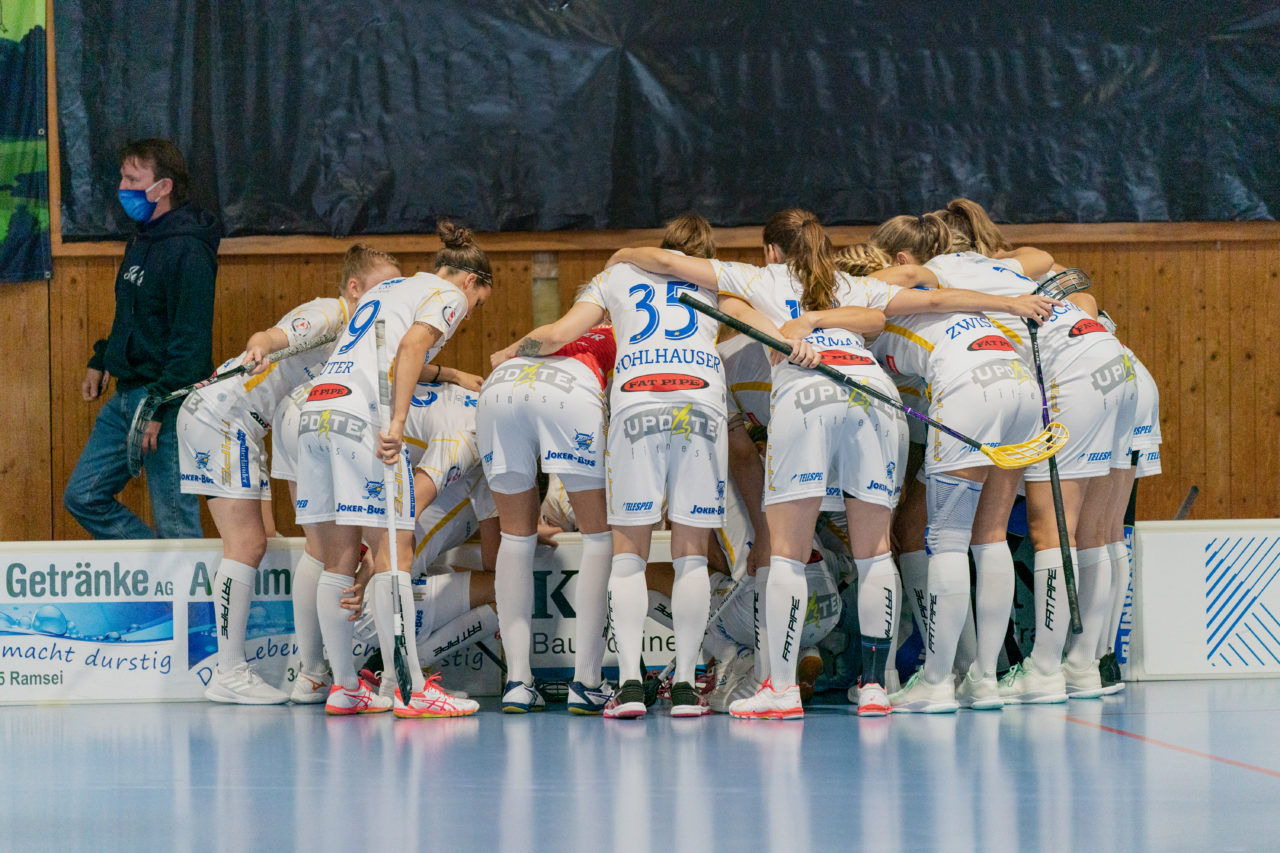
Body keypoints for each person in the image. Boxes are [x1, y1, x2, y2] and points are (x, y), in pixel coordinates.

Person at [612, 209, 1056, 718]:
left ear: (772, 250)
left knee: (786, 553)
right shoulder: (852, 283)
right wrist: (1012, 302)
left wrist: (624, 254)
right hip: (873, 397)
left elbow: (670, 263)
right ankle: (875, 685)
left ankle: (778, 687)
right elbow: (933, 299)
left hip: (807, 399)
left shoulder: (757, 276)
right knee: (875, 552)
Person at [492, 213, 799, 719]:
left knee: (628, 554)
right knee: (691, 555)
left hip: (637, 399)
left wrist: (509, 350)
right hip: (700, 400)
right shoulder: (716, 278)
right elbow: (766, 326)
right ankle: (682, 685)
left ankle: (631, 685)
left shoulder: (616, 276)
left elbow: (556, 334)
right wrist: (795, 346)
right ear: (705, 251)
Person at [873, 200, 1136, 703]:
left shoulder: (939, 272)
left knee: (1044, 531)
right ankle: (1027, 671)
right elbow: (1051, 265)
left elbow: (892, 279)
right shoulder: (1003, 264)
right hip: (1102, 363)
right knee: (1082, 532)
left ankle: (1031, 673)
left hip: (1059, 375)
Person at [178, 244, 400, 704]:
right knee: (246, 544)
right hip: (225, 418)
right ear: (354, 288)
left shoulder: (360, 338)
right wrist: (261, 341)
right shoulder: (332, 313)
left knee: (263, 536)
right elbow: (278, 335)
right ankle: (229, 672)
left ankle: (288, 671)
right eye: (383, 289)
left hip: (247, 427)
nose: (390, 300)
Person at [295, 221, 491, 717]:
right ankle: (410, 689)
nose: (469, 315)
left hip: (316, 409)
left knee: (337, 558)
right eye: (479, 304)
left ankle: (342, 687)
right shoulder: (448, 294)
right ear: (469, 282)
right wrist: (398, 421)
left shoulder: (392, 288)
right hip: (364, 416)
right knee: (395, 549)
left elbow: (378, 351)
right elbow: (409, 349)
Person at [65, 138, 219, 539]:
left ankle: (189, 601)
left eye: (133, 178)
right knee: (83, 496)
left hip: (164, 402)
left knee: (177, 524)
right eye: (122, 176)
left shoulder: (190, 251)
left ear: (164, 187)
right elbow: (131, 315)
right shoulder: (140, 239)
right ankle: (157, 578)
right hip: (124, 397)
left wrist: (159, 407)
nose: (123, 186)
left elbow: (191, 344)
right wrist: (102, 357)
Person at [478, 322, 616, 715]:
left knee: (516, 538)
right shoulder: (626, 331)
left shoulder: (558, 325)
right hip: (568, 393)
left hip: (500, 387)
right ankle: (588, 682)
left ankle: (518, 682)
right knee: (598, 538)